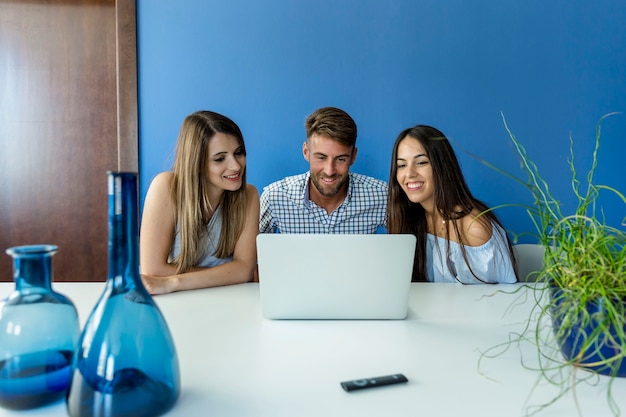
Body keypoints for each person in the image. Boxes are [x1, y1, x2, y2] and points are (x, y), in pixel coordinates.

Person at [140, 110, 260, 294]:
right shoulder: (166, 186)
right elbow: (153, 270)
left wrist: (172, 282)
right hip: (174, 301)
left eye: (239, 153)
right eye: (220, 159)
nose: (236, 166)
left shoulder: (249, 196)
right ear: (196, 162)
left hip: (227, 299)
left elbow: (244, 270)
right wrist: (229, 273)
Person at [387, 124, 517, 284]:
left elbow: (498, 299)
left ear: (442, 166)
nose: (409, 173)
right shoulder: (409, 218)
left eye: (421, 162)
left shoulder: (474, 227)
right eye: (401, 165)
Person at [259, 106, 387, 233]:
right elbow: (251, 252)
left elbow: (405, 245)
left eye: (340, 159)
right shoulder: (274, 197)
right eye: (321, 157)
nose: (329, 171)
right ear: (306, 152)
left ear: (353, 156)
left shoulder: (381, 195)